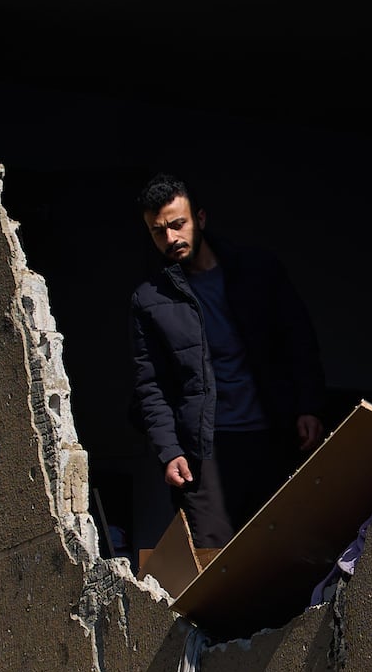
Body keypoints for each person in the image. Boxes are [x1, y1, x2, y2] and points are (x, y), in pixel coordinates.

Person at [124, 176, 328, 549]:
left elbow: (298, 341)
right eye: (158, 232)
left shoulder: (258, 270)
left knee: (280, 548)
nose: (170, 239)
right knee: (213, 557)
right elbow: (150, 385)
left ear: (200, 218)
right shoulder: (149, 299)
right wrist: (169, 451)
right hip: (204, 451)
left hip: (272, 434)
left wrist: (308, 406)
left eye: (177, 224)